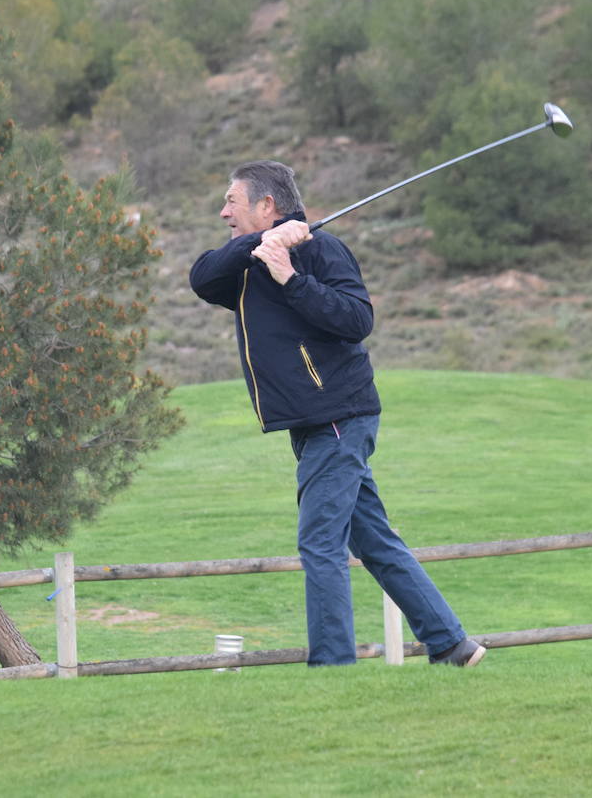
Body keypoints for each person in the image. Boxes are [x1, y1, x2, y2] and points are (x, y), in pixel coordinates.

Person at [189, 160, 485, 668]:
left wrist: (290, 278)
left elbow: (357, 319)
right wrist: (267, 244)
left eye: (231, 202)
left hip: (338, 416)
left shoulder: (321, 250)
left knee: (320, 540)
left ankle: (332, 667)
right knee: (373, 539)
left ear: (266, 205)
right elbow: (201, 275)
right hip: (311, 423)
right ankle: (451, 644)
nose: (223, 212)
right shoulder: (243, 263)